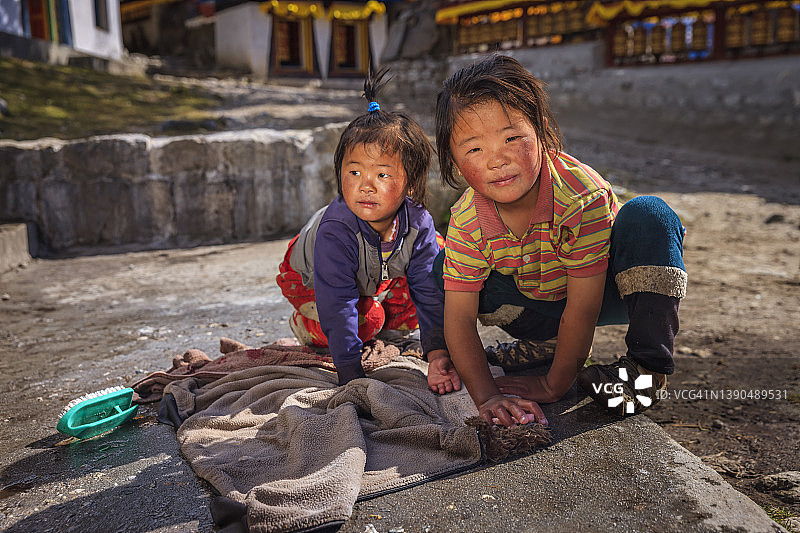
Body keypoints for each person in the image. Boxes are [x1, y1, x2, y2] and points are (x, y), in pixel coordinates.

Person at [434, 54, 687, 427]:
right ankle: (546, 343)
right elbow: (459, 318)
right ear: (453, 162)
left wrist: (554, 386)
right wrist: (488, 397)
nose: (496, 160)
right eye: (474, 149)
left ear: (542, 132)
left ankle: (646, 371)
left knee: (651, 215)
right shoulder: (468, 221)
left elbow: (583, 308)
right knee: (446, 270)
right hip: (545, 298)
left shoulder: (579, 197)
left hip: (609, 291)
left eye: (512, 138)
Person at [276, 67, 461, 393]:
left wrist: (438, 355)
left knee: (434, 265)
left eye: (383, 175)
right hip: (307, 279)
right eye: (355, 171)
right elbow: (338, 303)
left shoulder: (418, 224)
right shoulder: (336, 231)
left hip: (372, 271)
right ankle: (304, 323)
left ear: (411, 182)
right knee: (365, 319)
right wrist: (351, 375)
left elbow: (430, 294)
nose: (366, 186)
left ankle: (374, 317)